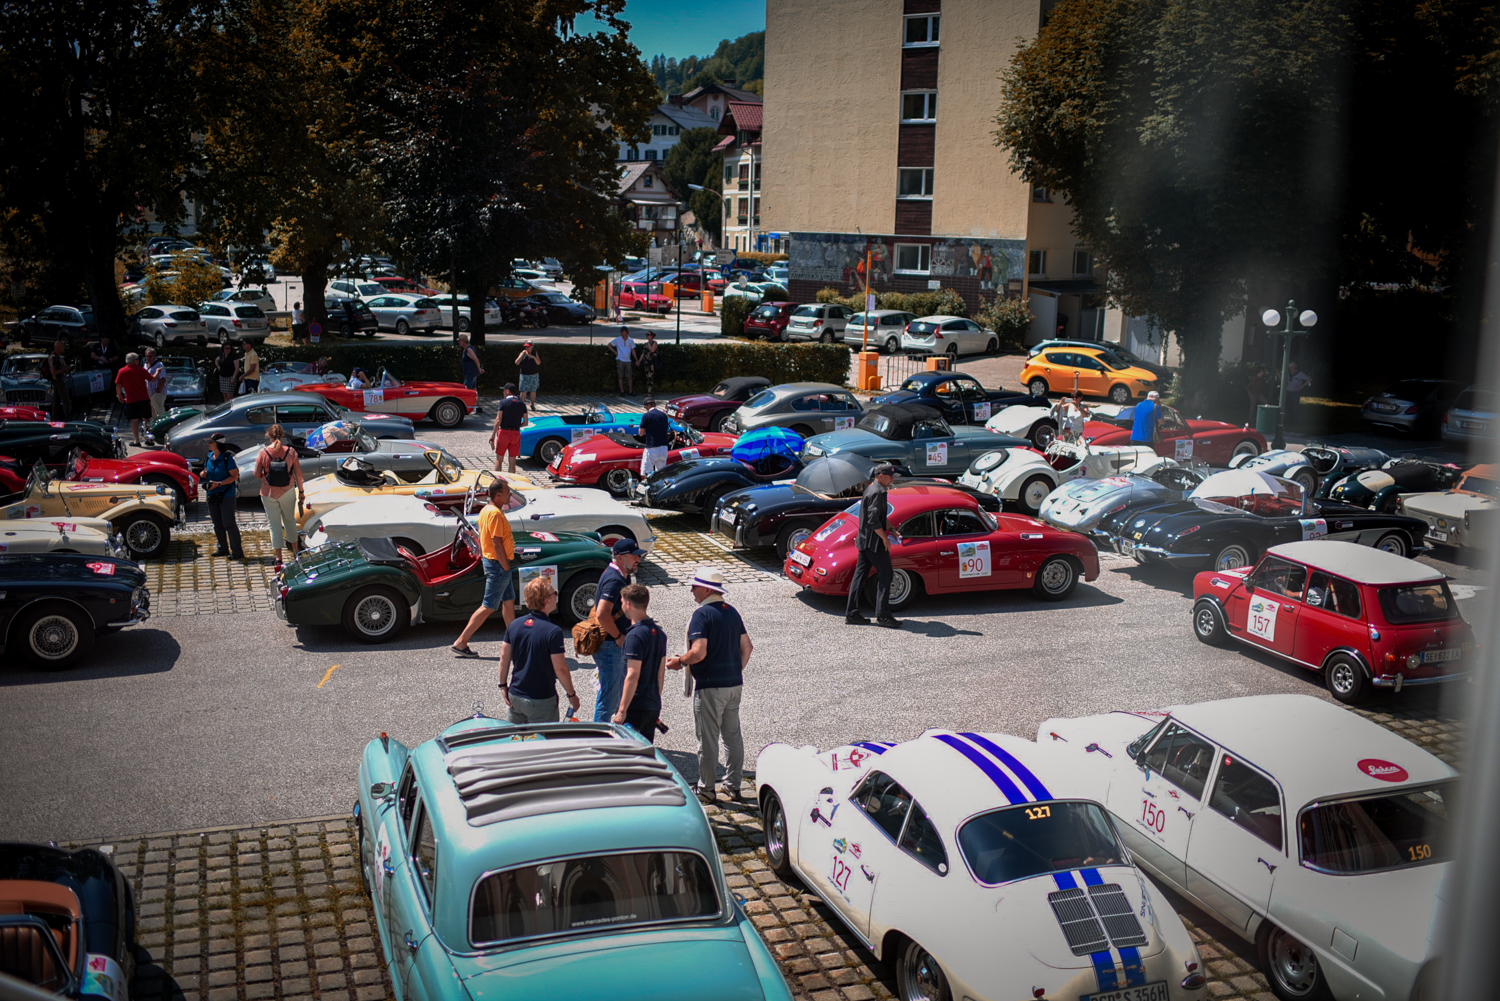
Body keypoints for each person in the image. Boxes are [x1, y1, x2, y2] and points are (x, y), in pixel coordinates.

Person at [668, 569, 752, 802]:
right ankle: (733, 785)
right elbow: (747, 647)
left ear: (706, 589)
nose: (691, 590)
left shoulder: (702, 614)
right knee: (732, 737)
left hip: (709, 686)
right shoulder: (731, 612)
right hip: (734, 684)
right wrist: (734, 670)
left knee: (708, 740)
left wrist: (679, 661)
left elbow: (698, 652)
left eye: (694, 587)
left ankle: (706, 790)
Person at [497, 576, 581, 723]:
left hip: (516, 696)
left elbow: (504, 658)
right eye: (554, 593)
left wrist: (503, 685)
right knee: (543, 737)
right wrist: (571, 695)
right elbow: (560, 669)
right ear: (546, 600)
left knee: (517, 737)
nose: (556, 595)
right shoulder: (553, 632)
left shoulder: (514, 625)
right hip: (541, 699)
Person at [452, 478, 516, 656]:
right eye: (507, 492)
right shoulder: (494, 514)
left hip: (495, 562)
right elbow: (497, 543)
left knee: (509, 601)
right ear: (498, 495)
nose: (510, 494)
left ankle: (515, 641)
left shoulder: (486, 510)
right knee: (488, 605)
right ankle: (461, 642)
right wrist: (505, 567)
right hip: (498, 564)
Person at [591, 538, 646, 722]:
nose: (638, 559)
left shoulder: (621, 575)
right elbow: (602, 613)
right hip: (610, 646)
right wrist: (618, 636)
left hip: (612, 645)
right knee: (609, 699)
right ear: (621, 557)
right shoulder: (614, 580)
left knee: (614, 694)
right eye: (634, 556)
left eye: (638, 556)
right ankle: (599, 736)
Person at [846, 463, 901, 628]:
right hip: (874, 544)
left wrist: (892, 529)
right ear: (881, 476)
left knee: (860, 577)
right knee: (886, 575)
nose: (892, 480)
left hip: (864, 541)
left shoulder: (873, 489)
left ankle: (852, 614)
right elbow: (873, 520)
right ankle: (883, 616)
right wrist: (885, 538)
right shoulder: (877, 492)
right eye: (890, 477)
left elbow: (881, 516)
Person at [612, 583, 667, 744]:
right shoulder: (659, 633)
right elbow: (660, 673)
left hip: (634, 707)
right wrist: (655, 700)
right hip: (652, 705)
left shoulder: (634, 636)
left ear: (628, 604)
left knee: (628, 753)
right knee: (645, 751)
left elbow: (632, 675)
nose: (622, 606)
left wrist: (622, 711)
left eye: (622, 602)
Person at [254, 423, 305, 568]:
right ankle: (296, 551)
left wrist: (265, 475)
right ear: (282, 436)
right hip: (287, 490)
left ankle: (278, 557)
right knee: (289, 521)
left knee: (274, 524)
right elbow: (298, 474)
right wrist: (301, 491)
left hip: (268, 492)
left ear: (269, 436)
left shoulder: (263, 452)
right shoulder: (291, 451)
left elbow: (256, 473)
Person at [202, 433, 244, 559]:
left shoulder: (227, 458)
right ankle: (222, 548)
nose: (209, 444)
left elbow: (234, 476)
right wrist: (203, 473)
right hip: (212, 494)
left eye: (211, 442)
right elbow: (205, 471)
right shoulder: (209, 456)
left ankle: (237, 552)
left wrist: (219, 484)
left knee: (228, 523)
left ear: (218, 444)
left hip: (226, 494)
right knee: (217, 524)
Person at [114, 352, 152, 446]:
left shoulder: (122, 371)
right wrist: (157, 373)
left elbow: (118, 385)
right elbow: (152, 379)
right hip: (143, 398)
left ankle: (137, 441)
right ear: (135, 361)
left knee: (134, 420)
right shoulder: (141, 370)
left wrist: (119, 395)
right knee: (147, 419)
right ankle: (149, 439)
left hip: (131, 399)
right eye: (137, 359)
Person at [491, 383, 527, 473]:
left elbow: (498, 419)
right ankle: (511, 480)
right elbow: (526, 422)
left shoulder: (503, 402)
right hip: (515, 433)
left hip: (504, 432)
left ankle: (498, 479)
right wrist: (517, 425)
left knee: (499, 459)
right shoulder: (522, 404)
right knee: (512, 462)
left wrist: (493, 434)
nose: (503, 392)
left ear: (508, 391)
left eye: (504, 390)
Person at [639, 396, 671, 479]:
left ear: (646, 406)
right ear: (655, 404)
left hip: (652, 448)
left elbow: (641, 433)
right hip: (664, 448)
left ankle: (647, 486)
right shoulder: (664, 415)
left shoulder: (647, 416)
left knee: (645, 473)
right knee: (661, 473)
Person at [45, 340, 72, 421]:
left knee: (56, 400)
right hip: (58, 380)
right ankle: (68, 418)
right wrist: (65, 369)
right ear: (58, 347)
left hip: (57, 380)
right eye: (63, 346)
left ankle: (54, 418)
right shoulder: (54, 357)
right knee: (65, 400)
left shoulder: (57, 356)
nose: (64, 348)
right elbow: (53, 371)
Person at [606, 326, 635, 394]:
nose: (621, 333)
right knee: (620, 376)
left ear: (626, 332)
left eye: (622, 331)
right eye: (621, 331)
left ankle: (630, 391)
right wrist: (615, 352)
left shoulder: (630, 340)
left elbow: (633, 350)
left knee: (629, 376)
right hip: (620, 359)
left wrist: (636, 359)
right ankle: (622, 391)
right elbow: (609, 345)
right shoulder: (617, 339)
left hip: (628, 360)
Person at [1286, 362, 1312, 430]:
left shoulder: (1300, 374)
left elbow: (1309, 379)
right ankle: (1289, 421)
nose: (1291, 369)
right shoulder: (1288, 373)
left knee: (1295, 407)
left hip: (1295, 393)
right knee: (1288, 407)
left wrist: (1301, 386)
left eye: (1292, 368)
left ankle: (1296, 422)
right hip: (1288, 392)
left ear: (1295, 368)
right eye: (1290, 368)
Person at [142, 348, 168, 417]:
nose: (148, 358)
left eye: (150, 356)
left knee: (159, 412)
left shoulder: (159, 365)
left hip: (157, 392)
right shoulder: (145, 364)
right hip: (149, 393)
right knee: (152, 413)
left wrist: (158, 391)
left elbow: (163, 379)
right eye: (147, 356)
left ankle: (163, 423)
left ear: (154, 356)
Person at [515, 341, 540, 406]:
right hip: (524, 375)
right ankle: (521, 405)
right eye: (526, 346)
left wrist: (533, 357)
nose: (527, 348)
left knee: (533, 390)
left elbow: (538, 363)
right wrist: (522, 355)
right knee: (523, 390)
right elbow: (517, 362)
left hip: (534, 374)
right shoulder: (523, 353)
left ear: (532, 346)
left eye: (528, 346)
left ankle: (532, 404)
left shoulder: (534, 352)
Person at [636, 330, 661, 396]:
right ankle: (649, 390)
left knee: (650, 376)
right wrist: (639, 361)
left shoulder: (654, 343)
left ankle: (650, 391)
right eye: (646, 334)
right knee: (647, 376)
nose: (647, 336)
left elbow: (652, 350)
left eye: (648, 335)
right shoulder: (646, 345)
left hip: (652, 362)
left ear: (651, 336)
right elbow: (643, 353)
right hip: (646, 362)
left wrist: (648, 344)